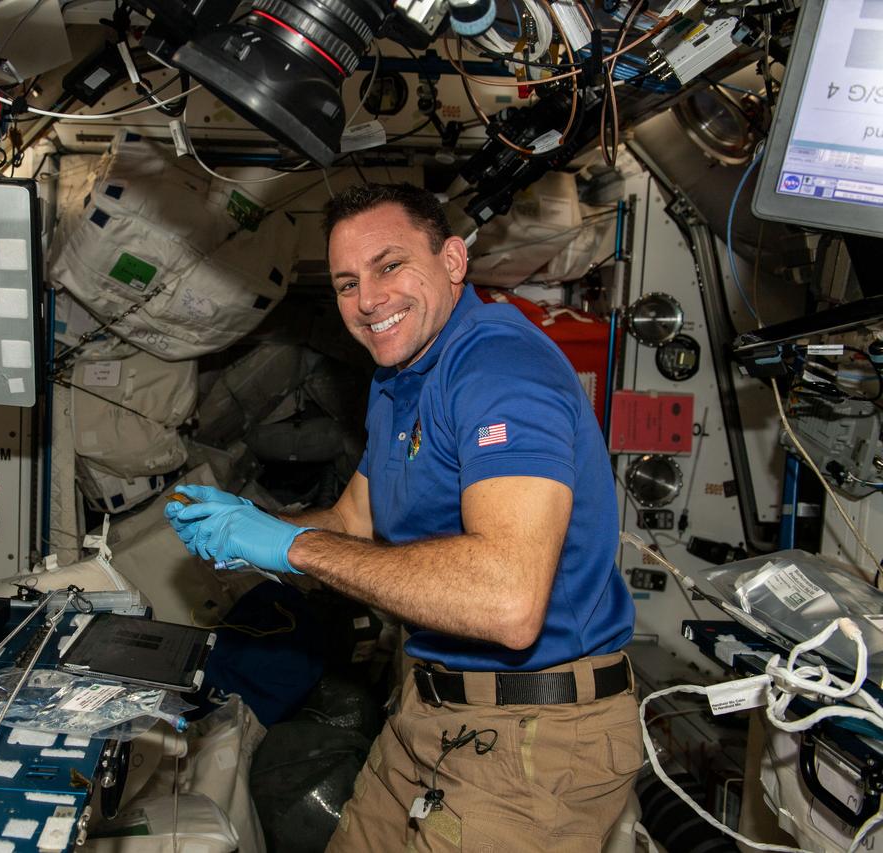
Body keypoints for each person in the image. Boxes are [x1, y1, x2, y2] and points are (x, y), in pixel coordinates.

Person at [165, 182, 639, 851]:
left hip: (535, 738)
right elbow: (357, 520)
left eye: (390, 266)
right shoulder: (399, 379)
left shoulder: (498, 367)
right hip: (429, 708)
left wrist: (293, 548)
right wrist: (252, 527)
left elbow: (507, 599)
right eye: (346, 282)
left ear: (451, 260)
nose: (368, 300)